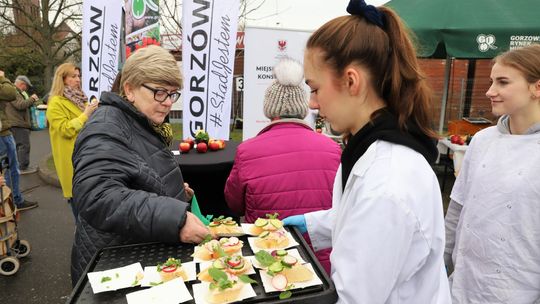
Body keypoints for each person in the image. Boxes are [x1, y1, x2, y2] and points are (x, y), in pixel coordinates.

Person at [282, 1, 452, 303]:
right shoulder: (371, 150)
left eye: (315, 88)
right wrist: (310, 224)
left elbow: (353, 298)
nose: (312, 103)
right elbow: (358, 221)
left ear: (351, 81)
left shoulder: (386, 182)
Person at [70, 45, 209, 286]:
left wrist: (171, 190)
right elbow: (96, 194)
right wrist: (173, 216)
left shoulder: (137, 121)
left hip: (130, 257)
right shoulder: (105, 126)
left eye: (173, 94)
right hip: (115, 265)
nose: (167, 102)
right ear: (129, 89)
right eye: (159, 92)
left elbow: (135, 174)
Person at [224, 58, 341, 274]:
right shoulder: (333, 149)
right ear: (302, 109)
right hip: (320, 265)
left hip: (267, 260)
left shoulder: (247, 151)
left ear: (270, 109)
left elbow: (234, 204)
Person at [444, 44, 540, 303]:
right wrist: (439, 265)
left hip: (518, 292)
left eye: (503, 82)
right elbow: (457, 209)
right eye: (491, 81)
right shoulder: (482, 140)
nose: (490, 91)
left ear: (537, 88)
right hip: (462, 286)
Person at [46, 63, 98, 218]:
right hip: (72, 160)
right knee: (80, 208)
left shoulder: (80, 98)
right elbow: (65, 129)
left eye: (79, 76)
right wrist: (86, 114)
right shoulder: (55, 103)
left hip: (89, 156)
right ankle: (82, 239)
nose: (78, 80)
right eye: (73, 76)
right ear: (63, 79)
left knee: (92, 207)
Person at [0, 70, 38, 211]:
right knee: (11, 167)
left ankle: (9, 200)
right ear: (21, 84)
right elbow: (14, 98)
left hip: (8, 127)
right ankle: (13, 201)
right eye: (25, 86)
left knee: (8, 166)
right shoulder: (11, 89)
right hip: (5, 130)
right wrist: (3, 78)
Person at [7, 75, 40, 174]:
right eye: (26, 86)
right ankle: (22, 168)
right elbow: (20, 105)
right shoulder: (14, 92)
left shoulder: (13, 91)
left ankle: (18, 166)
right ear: (22, 84)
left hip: (15, 123)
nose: (27, 89)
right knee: (23, 146)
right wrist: (32, 99)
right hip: (18, 123)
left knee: (18, 146)